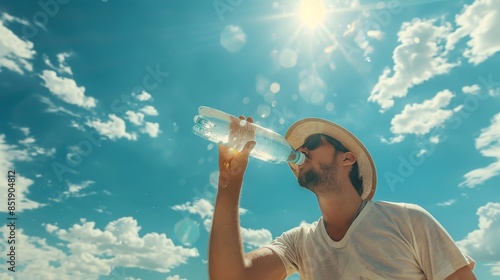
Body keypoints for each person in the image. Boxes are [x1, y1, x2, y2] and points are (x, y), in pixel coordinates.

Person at [208, 116, 476, 280]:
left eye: (312, 143)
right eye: (301, 147)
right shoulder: (298, 243)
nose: (301, 150)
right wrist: (229, 182)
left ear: (347, 158)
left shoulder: (407, 220)